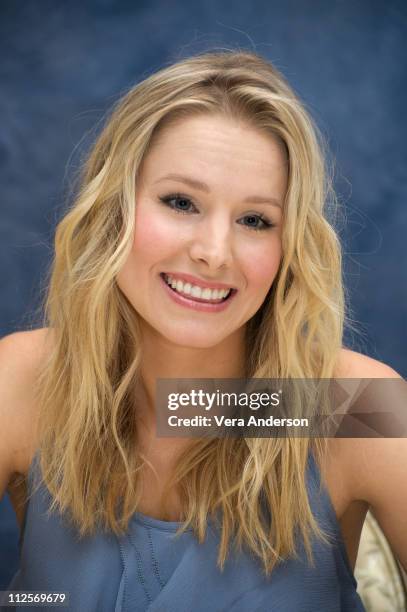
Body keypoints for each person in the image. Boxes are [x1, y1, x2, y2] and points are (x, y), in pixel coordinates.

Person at [0, 49, 406, 612]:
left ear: (290, 248)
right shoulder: (22, 379)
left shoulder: (350, 404)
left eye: (256, 220)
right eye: (181, 202)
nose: (214, 253)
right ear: (113, 209)